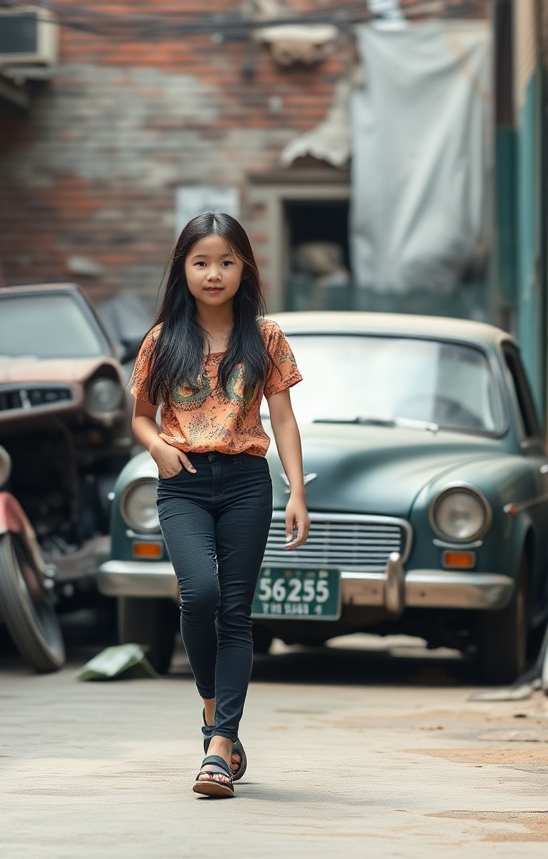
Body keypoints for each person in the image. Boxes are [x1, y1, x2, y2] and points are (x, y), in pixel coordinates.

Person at [128, 212, 309, 798]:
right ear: (183, 268)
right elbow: (139, 417)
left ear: (244, 268)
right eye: (201, 262)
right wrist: (157, 446)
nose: (214, 273)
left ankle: (219, 745)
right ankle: (214, 714)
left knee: (234, 612)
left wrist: (297, 491)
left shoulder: (267, 337)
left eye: (226, 262)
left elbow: (282, 417)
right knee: (198, 594)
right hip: (181, 480)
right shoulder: (162, 340)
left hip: (245, 482)